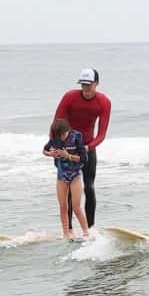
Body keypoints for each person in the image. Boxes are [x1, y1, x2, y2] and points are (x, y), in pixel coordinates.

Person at [52, 68, 111, 230]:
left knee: (89, 187)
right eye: (83, 85)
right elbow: (56, 123)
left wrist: (88, 147)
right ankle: (69, 230)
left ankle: (90, 229)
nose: (85, 89)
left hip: (87, 147)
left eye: (89, 85)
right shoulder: (70, 97)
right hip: (67, 147)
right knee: (69, 189)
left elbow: (102, 134)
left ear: (97, 83)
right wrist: (55, 146)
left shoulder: (104, 102)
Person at [43, 119, 89, 240]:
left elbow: (84, 159)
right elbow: (44, 150)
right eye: (58, 136)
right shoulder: (55, 138)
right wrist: (50, 154)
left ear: (67, 131)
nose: (61, 138)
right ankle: (66, 233)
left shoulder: (76, 136)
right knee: (63, 206)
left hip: (75, 175)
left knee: (76, 207)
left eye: (63, 135)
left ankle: (86, 233)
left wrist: (67, 155)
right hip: (61, 176)